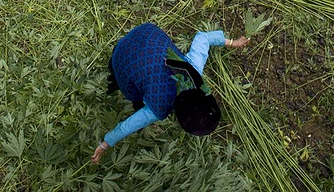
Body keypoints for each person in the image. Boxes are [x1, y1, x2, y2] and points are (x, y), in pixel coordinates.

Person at [92, 22, 251, 164]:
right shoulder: (159, 107)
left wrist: (232, 42)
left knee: (148, 71)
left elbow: (203, 37)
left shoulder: (193, 71)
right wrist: (105, 144)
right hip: (122, 56)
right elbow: (128, 126)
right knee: (135, 94)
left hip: (145, 33)